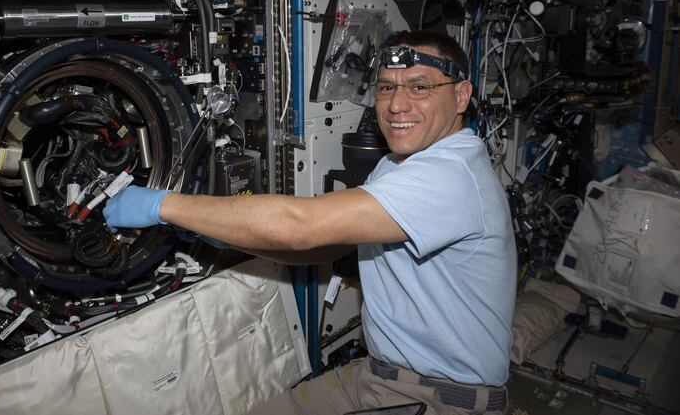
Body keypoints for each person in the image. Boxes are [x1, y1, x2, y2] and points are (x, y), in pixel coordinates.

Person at [104, 30, 516, 415]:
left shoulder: (450, 175)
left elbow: (301, 225)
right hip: (382, 376)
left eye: (420, 87)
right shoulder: (398, 165)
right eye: (387, 87)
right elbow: (322, 247)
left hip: (440, 398)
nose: (396, 105)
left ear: (462, 96)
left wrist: (164, 206)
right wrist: (213, 231)